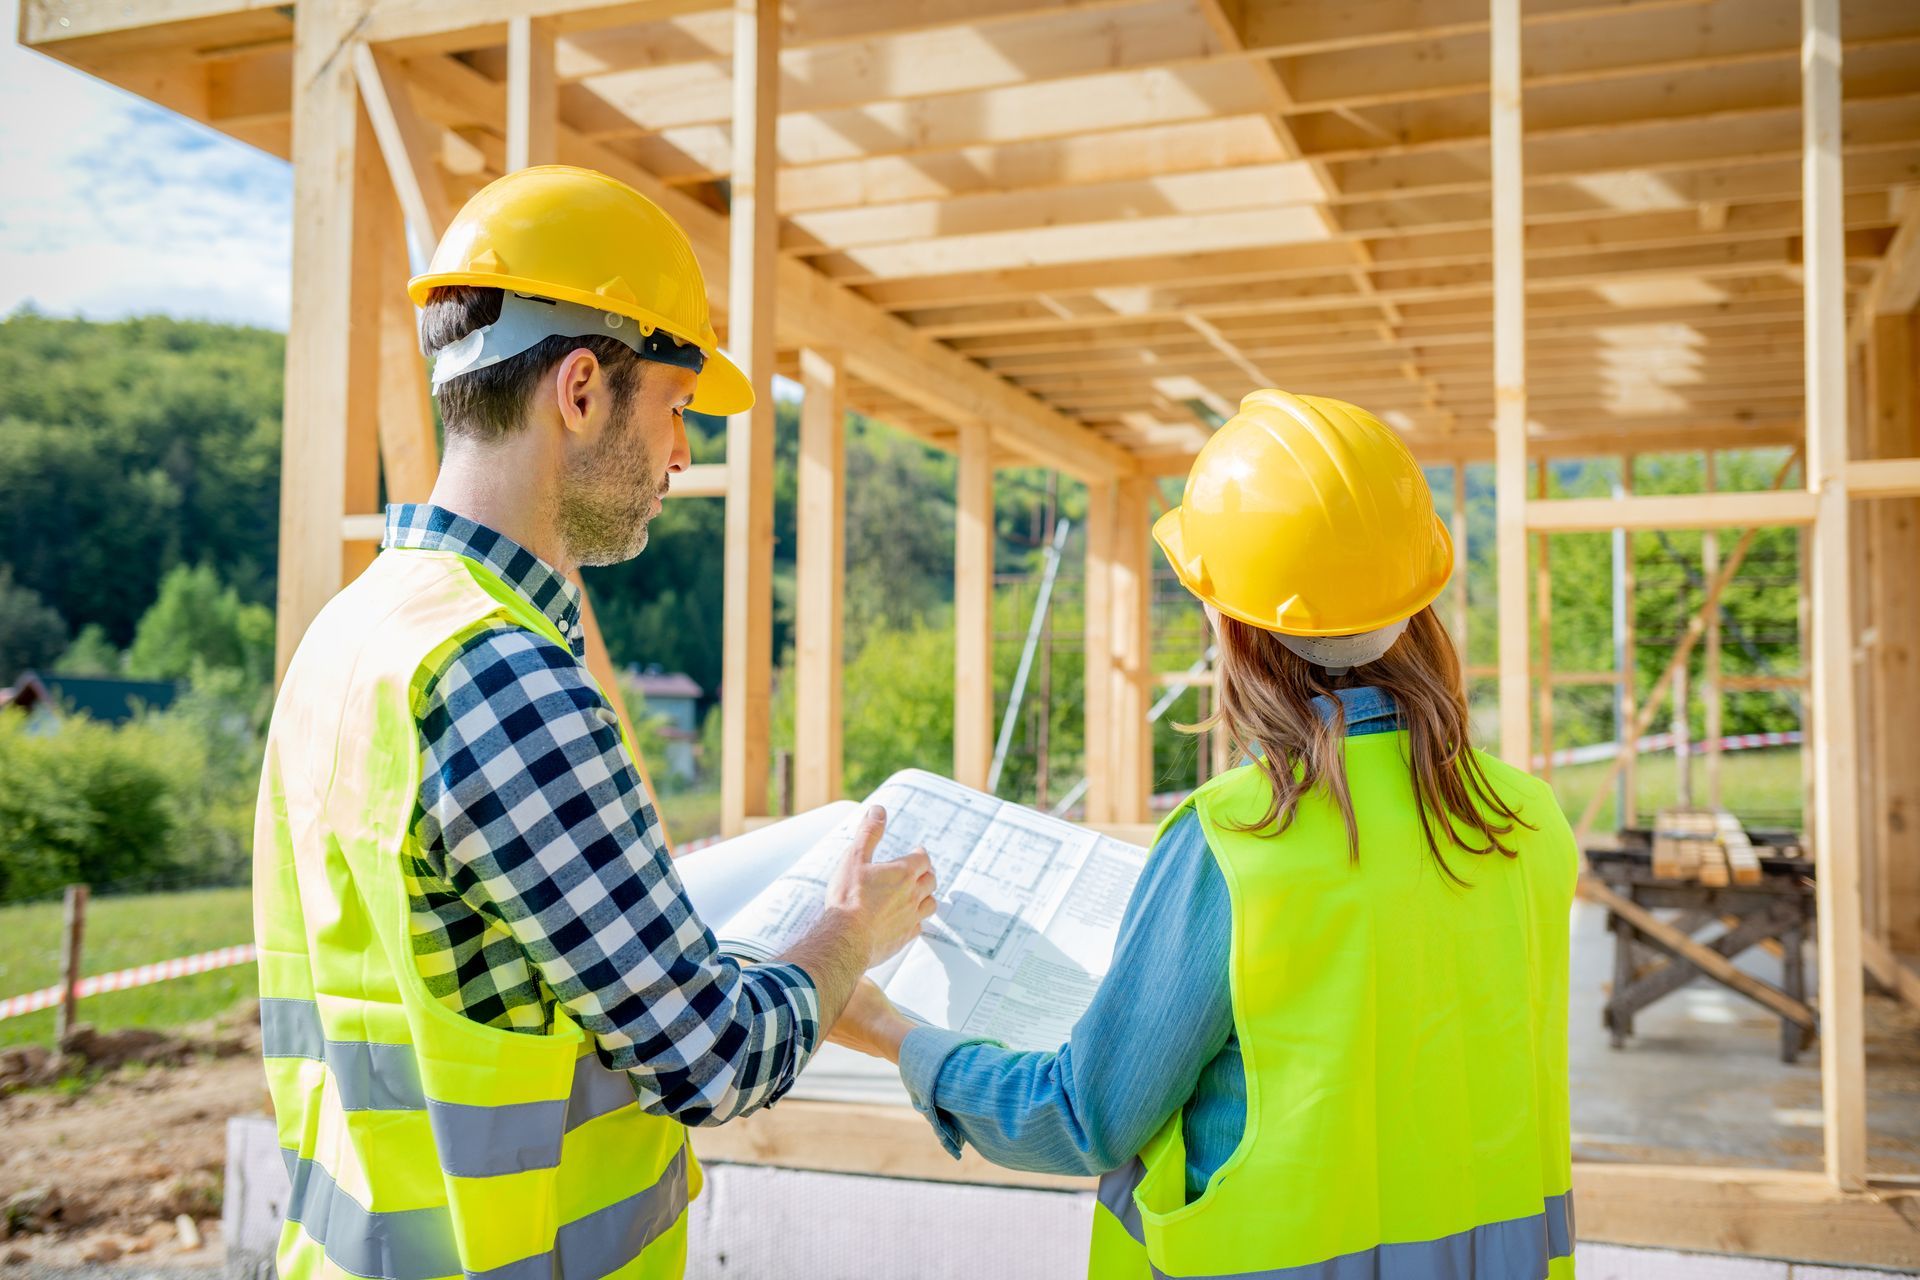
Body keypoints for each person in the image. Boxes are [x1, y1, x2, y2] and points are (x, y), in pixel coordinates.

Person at [252, 165, 935, 1280]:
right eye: (672, 410)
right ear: (579, 390)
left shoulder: (359, 628)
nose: (680, 456)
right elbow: (713, 1060)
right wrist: (848, 930)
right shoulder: (507, 676)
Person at [834, 389, 1577, 1278]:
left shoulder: (1236, 842)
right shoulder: (1530, 823)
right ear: (1417, 599)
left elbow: (1082, 1119)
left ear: (1233, 627)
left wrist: (883, 1025)